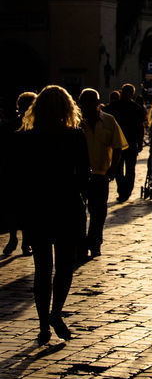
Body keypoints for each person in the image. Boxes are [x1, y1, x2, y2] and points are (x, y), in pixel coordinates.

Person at [16, 86, 90, 343]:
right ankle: (56, 312)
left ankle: (42, 326)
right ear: (67, 108)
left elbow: (20, 180)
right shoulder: (75, 136)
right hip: (67, 206)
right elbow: (84, 176)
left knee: (42, 269)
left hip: (37, 208)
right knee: (65, 266)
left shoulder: (27, 138)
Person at [78, 88, 127, 260]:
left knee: (98, 211)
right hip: (79, 175)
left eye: (93, 102)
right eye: (86, 102)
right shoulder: (75, 122)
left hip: (100, 173)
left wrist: (113, 169)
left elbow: (118, 146)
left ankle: (95, 242)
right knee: (80, 212)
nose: (90, 106)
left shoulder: (108, 120)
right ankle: (82, 244)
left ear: (98, 103)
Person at [1, 91, 36, 257]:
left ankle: (22, 241)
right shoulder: (13, 124)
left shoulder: (37, 125)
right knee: (18, 208)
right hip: (17, 171)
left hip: (24, 172)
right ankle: (18, 239)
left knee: (23, 209)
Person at [111, 83, 146, 202]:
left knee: (119, 169)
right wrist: (140, 142)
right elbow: (141, 127)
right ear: (132, 94)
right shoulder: (137, 108)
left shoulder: (113, 106)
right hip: (130, 142)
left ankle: (122, 191)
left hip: (118, 142)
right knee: (130, 169)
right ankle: (126, 191)